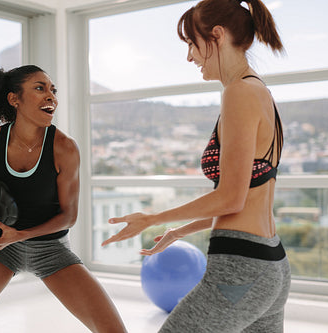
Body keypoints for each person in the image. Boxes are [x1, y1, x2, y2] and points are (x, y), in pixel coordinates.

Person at [102, 0, 291, 332]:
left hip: (240, 266)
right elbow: (244, 197)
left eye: (191, 43)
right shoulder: (260, 92)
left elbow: (230, 198)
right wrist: (178, 231)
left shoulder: (239, 92)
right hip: (271, 264)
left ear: (216, 36)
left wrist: (151, 218)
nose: (189, 55)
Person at [0, 65, 127, 333]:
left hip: (52, 249)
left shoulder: (64, 148)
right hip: (3, 250)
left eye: (53, 90)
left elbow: (68, 216)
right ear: (14, 99)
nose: (51, 97)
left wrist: (20, 234)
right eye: (40, 88)